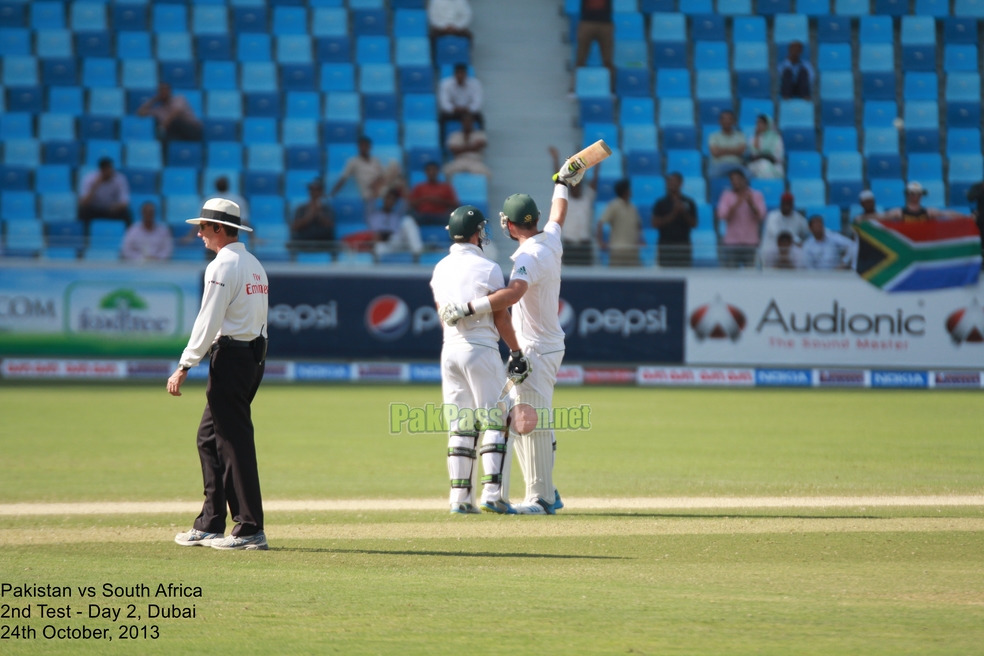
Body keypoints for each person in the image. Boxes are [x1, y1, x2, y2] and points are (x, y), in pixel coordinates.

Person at [439, 169, 573, 515]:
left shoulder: (528, 258)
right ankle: (531, 491)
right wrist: (561, 183)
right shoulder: (551, 238)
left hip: (535, 347)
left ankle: (540, 497)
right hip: (545, 344)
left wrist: (469, 307)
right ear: (536, 220)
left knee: (529, 419)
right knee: (519, 418)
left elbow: (512, 295)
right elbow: (559, 213)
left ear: (510, 226)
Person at [167, 198, 269, 551]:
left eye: (204, 227)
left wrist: (184, 364)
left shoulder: (222, 266)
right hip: (252, 357)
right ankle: (210, 522)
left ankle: (249, 530)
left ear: (220, 229)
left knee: (232, 442)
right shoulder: (254, 264)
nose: (199, 233)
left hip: (233, 359)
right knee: (209, 439)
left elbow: (207, 320)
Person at [430, 205, 528, 515]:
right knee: (495, 421)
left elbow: (441, 314)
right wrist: (515, 352)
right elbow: (501, 318)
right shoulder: (488, 268)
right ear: (476, 233)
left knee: (460, 424)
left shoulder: (440, 268)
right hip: (480, 349)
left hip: (450, 351)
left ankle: (459, 499)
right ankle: (492, 493)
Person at [550, 145, 597, 266]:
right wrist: (555, 158)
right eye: (574, 186)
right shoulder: (565, 199)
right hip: (569, 244)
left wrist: (597, 162)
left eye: (579, 186)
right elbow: (559, 180)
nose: (576, 189)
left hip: (584, 245)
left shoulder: (587, 198)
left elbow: (594, 182)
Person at [330, 136, 403, 208]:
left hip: (380, 185)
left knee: (394, 165)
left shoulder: (375, 160)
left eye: (366, 146)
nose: (364, 148)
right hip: (369, 191)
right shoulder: (353, 161)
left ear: (370, 147)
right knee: (394, 173)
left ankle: (402, 199)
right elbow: (343, 178)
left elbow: (383, 174)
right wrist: (332, 193)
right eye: (362, 146)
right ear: (358, 147)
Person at [717, 169, 766, 268]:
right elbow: (722, 215)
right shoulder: (726, 195)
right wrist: (737, 203)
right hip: (732, 242)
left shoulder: (756, 195)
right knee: (731, 275)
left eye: (738, 179)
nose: (735, 182)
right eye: (732, 179)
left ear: (744, 180)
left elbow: (761, 216)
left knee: (750, 276)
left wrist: (751, 204)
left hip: (750, 242)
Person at [651, 172, 697, 267]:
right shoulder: (661, 203)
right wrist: (674, 213)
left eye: (675, 181)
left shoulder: (689, 202)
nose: (672, 184)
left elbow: (694, 224)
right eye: (670, 181)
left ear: (681, 183)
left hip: (683, 245)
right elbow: (655, 223)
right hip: (666, 245)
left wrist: (683, 212)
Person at [137, 82, 203, 143]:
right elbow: (140, 113)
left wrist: (163, 127)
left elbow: (176, 112)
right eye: (161, 90)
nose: (164, 92)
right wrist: (154, 100)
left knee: (175, 121)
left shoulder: (179, 99)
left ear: (170, 91)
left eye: (165, 90)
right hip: (177, 135)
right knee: (164, 138)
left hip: (192, 131)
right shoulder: (159, 109)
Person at [596, 179, 642, 267]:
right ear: (625, 191)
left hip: (632, 250)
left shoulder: (633, 208)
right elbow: (601, 222)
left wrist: (640, 239)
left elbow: (638, 225)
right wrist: (600, 242)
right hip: (617, 251)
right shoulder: (614, 205)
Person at [367, 188, 423, 259]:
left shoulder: (397, 215)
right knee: (378, 248)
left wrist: (400, 184)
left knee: (408, 220)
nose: (390, 201)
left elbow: (407, 201)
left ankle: (418, 251)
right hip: (383, 244)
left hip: (397, 241)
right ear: (384, 199)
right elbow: (371, 199)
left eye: (392, 199)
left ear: (395, 202)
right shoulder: (373, 214)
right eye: (388, 198)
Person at [78, 157, 132, 229]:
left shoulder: (120, 179)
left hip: (112, 210)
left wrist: (116, 207)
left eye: (110, 169)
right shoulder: (89, 179)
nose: (109, 172)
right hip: (95, 209)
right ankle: (85, 237)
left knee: (126, 214)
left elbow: (125, 202)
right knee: (83, 212)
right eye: (106, 170)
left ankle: (128, 237)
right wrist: (95, 186)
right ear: (101, 170)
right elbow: (84, 202)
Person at [881, 182, 967, 222]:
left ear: (921, 195)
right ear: (908, 195)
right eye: (912, 193)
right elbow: (880, 217)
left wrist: (966, 217)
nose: (914, 196)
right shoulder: (898, 212)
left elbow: (947, 213)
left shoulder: (929, 212)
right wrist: (867, 218)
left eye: (917, 193)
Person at [289, 179, 335, 253]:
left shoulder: (327, 209)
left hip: (322, 244)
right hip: (303, 244)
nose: (314, 192)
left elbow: (331, 226)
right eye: (312, 190)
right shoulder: (301, 208)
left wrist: (319, 215)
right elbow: (294, 227)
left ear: (321, 192)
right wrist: (308, 217)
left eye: (317, 190)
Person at [409, 161, 460, 226]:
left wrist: (440, 201)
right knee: (409, 220)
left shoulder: (446, 187)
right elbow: (411, 204)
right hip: (423, 216)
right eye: (429, 170)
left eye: (433, 170)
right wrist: (425, 199)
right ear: (425, 172)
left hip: (440, 216)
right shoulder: (419, 187)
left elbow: (455, 204)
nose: (431, 172)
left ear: (438, 171)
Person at [575, 0, 614, 83]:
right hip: (586, 23)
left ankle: (610, 88)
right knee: (580, 59)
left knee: (607, 60)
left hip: (605, 24)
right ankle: (576, 87)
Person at [443, 112, 491, 179]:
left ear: (473, 122)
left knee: (486, 174)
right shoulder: (454, 135)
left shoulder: (480, 134)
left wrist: (461, 148)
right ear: (462, 123)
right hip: (459, 161)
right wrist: (473, 147)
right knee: (446, 171)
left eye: (469, 121)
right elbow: (453, 150)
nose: (467, 123)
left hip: (475, 162)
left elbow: (480, 145)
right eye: (465, 121)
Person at [438, 63, 484, 132]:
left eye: (462, 74)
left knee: (480, 118)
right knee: (441, 118)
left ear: (466, 75)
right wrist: (453, 109)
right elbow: (444, 103)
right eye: (458, 74)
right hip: (453, 112)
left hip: (468, 111)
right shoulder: (445, 84)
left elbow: (478, 102)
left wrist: (469, 109)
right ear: (454, 75)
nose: (460, 76)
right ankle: (441, 140)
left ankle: (479, 138)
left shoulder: (475, 84)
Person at [708, 110, 747, 179]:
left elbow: (741, 151)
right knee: (713, 176)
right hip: (719, 165)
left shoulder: (740, 136)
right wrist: (735, 150)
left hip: (737, 165)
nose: (726, 121)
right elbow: (715, 152)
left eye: (729, 119)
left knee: (748, 175)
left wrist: (722, 149)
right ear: (719, 121)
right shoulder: (713, 136)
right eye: (723, 119)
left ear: (734, 121)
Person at [746, 114, 785, 179]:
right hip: (756, 164)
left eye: (761, 122)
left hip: (774, 164)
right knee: (759, 166)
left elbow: (778, 156)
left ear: (767, 124)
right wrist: (757, 136)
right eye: (757, 122)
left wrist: (765, 156)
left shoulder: (776, 138)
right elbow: (753, 154)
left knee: (765, 166)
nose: (758, 124)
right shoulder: (753, 138)